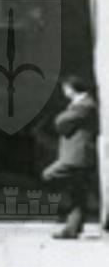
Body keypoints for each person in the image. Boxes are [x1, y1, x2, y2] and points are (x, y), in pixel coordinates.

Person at [43, 72, 99, 240]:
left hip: (78, 156)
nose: (64, 91)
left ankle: (73, 225)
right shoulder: (79, 104)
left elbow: (61, 122)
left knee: (48, 175)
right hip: (77, 156)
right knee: (78, 195)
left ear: (72, 88)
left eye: (65, 88)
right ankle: (72, 229)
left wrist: (59, 119)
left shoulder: (85, 104)